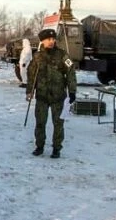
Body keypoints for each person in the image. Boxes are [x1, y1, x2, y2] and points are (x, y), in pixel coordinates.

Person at [26, 27, 77, 158]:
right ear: (42, 41)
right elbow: (31, 75)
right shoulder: (37, 57)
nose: (51, 41)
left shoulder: (62, 55)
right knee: (40, 123)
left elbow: (71, 72)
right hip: (42, 96)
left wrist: (72, 91)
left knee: (58, 124)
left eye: (53, 39)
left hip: (58, 96)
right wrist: (29, 91)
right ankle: (39, 146)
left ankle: (56, 149)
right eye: (48, 39)